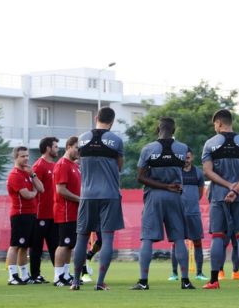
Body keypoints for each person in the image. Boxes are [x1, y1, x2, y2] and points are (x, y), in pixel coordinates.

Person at [131, 117, 194, 290]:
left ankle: (143, 282)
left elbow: (140, 177)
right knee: (179, 238)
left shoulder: (148, 149)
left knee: (147, 238)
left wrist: (163, 184)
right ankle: (185, 281)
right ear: (173, 131)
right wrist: (170, 184)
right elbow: (184, 166)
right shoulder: (183, 148)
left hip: (154, 196)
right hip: (175, 196)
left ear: (158, 129)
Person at [201, 109, 239, 290]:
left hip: (218, 196)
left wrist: (227, 186)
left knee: (218, 237)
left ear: (218, 123)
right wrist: (237, 188)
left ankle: (214, 281)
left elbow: (207, 171)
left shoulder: (210, 143)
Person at [71, 107, 125, 291]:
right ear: (112, 121)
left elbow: (81, 161)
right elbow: (119, 167)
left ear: (96, 118)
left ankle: (75, 281)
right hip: (109, 194)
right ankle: (100, 282)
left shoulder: (82, 138)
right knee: (107, 238)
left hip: (87, 195)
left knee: (81, 238)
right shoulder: (116, 140)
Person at [6, 146, 45, 285]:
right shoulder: (15, 175)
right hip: (20, 215)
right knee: (15, 245)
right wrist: (34, 193)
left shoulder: (27, 173)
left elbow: (41, 189)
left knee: (24, 246)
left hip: (31, 214)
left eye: (27, 156)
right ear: (16, 158)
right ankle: (12, 276)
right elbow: (27, 195)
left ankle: (24, 275)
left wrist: (33, 174)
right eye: (22, 156)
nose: (26, 158)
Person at [169, 149, 207, 281]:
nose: (186, 160)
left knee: (197, 242)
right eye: (184, 158)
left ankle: (199, 273)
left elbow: (200, 193)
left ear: (192, 158)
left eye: (188, 157)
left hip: (193, 213)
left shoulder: (198, 173)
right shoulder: (176, 172)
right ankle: (174, 274)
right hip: (178, 213)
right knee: (177, 242)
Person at [29, 137, 59, 284]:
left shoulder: (54, 165)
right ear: (48, 148)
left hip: (53, 214)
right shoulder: (38, 166)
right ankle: (35, 275)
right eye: (55, 146)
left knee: (55, 246)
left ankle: (60, 274)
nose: (57, 149)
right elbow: (34, 189)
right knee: (36, 246)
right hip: (40, 214)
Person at [52, 136, 81, 287]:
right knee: (64, 243)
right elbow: (61, 190)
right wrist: (80, 199)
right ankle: (58, 276)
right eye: (77, 148)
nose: (79, 151)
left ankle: (66, 274)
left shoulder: (74, 165)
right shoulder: (63, 164)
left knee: (70, 244)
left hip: (74, 211)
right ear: (69, 146)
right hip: (65, 211)